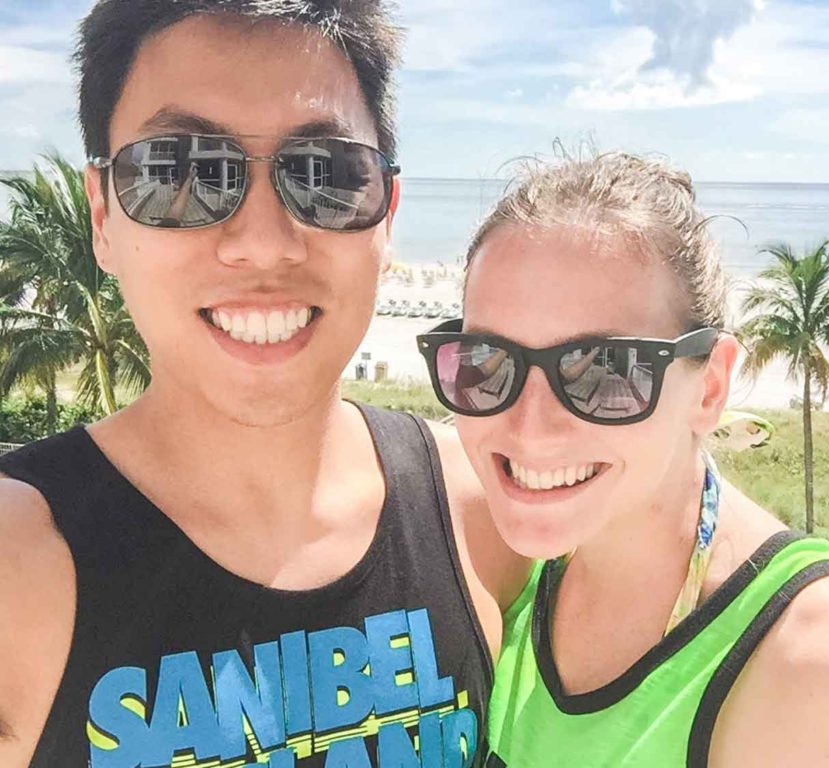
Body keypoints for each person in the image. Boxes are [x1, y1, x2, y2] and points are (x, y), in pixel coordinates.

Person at [0, 2, 527, 766]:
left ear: (386, 215)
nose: (262, 242)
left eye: (325, 175)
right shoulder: (22, 565)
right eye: (178, 172)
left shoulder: (478, 511)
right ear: (103, 216)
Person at [416, 152, 829, 767]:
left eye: (605, 371)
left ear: (710, 388)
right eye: (486, 363)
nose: (530, 430)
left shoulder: (826, 668)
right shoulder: (508, 567)